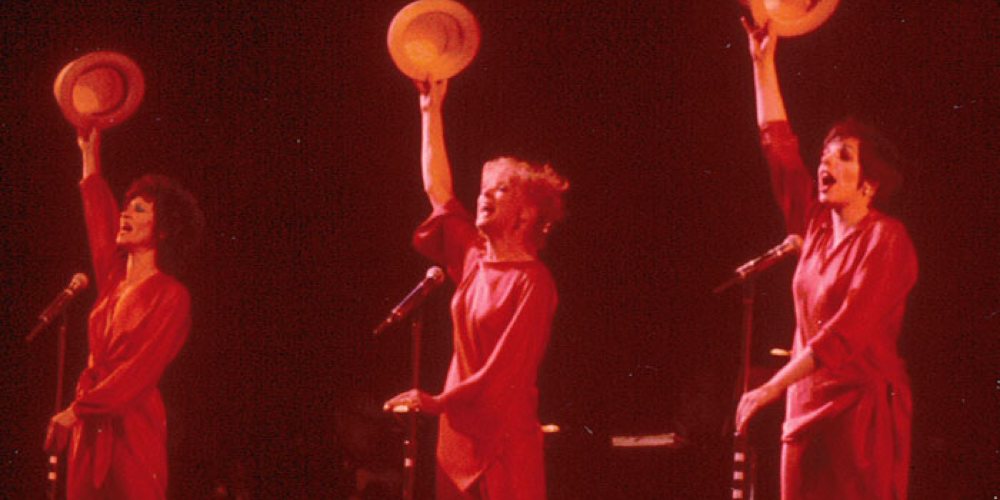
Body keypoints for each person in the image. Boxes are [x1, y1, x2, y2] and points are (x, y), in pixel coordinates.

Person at [733, 19, 919, 499]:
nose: (826, 164)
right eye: (825, 155)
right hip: (805, 407)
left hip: (860, 415)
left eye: (843, 157)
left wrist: (769, 387)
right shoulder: (813, 226)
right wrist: (763, 62)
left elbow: (844, 335)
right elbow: (777, 143)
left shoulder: (887, 239)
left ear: (869, 183)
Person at [383, 79, 569, 500]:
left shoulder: (533, 283)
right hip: (458, 436)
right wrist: (430, 110)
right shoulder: (473, 258)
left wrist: (437, 401)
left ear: (525, 214)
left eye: (501, 189)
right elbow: (439, 192)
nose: (485, 193)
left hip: (505, 444)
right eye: (485, 187)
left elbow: (505, 375)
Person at [44, 128, 203, 499]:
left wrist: (75, 411)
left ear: (162, 230)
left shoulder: (171, 296)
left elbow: (137, 372)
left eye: (139, 209)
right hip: (90, 425)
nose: (125, 214)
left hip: (130, 425)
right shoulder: (114, 282)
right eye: (127, 206)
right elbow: (99, 222)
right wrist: (89, 155)